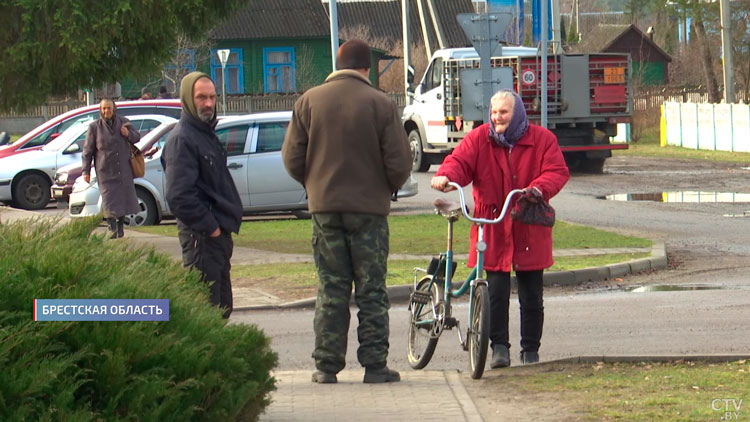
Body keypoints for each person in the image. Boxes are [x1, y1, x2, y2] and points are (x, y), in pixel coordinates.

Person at [282, 39, 411, 384]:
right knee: (371, 289)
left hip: (325, 210)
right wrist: (385, 187)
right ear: (367, 68)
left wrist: (315, 185)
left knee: (331, 287)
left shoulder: (308, 101)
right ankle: (374, 365)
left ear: (336, 64)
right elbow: (400, 162)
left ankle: (326, 367)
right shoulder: (381, 104)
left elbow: (292, 159)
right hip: (369, 211)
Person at [431, 89, 570, 368]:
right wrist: (446, 176)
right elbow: (459, 161)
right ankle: (498, 348)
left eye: (503, 112)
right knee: (495, 291)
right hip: (491, 225)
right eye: (494, 112)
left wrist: (538, 189)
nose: (497, 118)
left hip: (527, 221)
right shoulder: (480, 138)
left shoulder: (542, 140)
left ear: (516, 112)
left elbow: (556, 171)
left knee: (532, 294)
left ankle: (530, 351)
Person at [161, 72, 242, 319]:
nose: (208, 103)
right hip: (201, 239)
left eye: (211, 97)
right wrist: (211, 228)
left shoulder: (205, 134)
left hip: (216, 240)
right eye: (201, 98)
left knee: (221, 308)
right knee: (206, 312)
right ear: (187, 98)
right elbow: (179, 196)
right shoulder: (182, 139)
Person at [82, 99, 141, 239]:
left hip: (123, 169)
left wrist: (128, 134)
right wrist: (86, 171)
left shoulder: (124, 122)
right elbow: (87, 151)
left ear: (114, 109)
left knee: (122, 199)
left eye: (108, 108)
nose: (106, 111)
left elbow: (137, 137)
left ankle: (120, 227)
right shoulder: (94, 127)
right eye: (103, 109)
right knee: (108, 199)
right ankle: (111, 227)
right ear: (100, 110)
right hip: (105, 171)